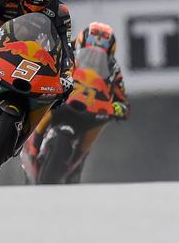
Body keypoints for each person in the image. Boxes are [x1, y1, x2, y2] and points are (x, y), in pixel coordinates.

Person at [22, 22, 129, 183]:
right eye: (87, 53)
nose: (93, 59)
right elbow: (43, 62)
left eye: (101, 57)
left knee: (101, 122)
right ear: (79, 45)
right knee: (43, 105)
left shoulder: (113, 69)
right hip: (64, 95)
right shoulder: (64, 49)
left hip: (90, 107)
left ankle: (78, 159)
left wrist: (118, 107)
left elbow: (120, 97)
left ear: (109, 55)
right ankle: (32, 144)